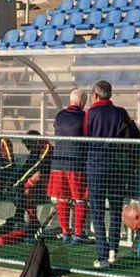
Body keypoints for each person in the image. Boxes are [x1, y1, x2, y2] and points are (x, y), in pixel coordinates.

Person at [84, 80, 137, 269]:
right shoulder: (120, 112)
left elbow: (85, 135)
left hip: (96, 167)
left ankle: (102, 255)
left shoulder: (91, 113)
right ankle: (113, 249)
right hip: (117, 167)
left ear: (95, 95)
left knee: (97, 212)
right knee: (115, 209)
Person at [48, 88, 90, 243]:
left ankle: (66, 232)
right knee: (80, 198)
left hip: (58, 161)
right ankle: (78, 233)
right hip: (77, 163)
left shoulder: (59, 116)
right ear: (83, 102)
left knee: (62, 198)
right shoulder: (85, 117)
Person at [6, 130, 52, 229]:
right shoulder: (34, 151)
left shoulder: (46, 148)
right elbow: (26, 167)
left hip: (47, 182)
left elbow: (35, 167)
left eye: (29, 144)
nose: (27, 148)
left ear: (36, 142)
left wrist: (18, 183)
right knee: (24, 188)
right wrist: (12, 181)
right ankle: (22, 218)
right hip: (37, 183)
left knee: (27, 186)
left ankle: (27, 220)